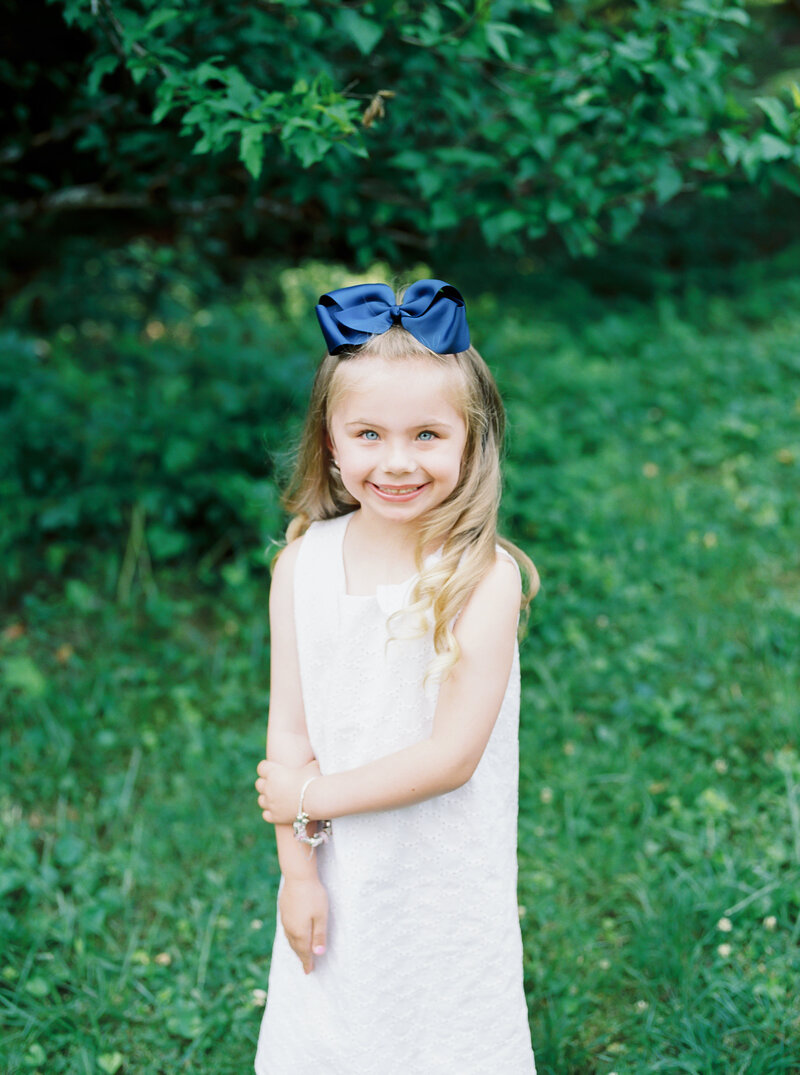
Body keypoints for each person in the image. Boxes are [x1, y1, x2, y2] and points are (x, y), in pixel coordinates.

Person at [253, 279, 540, 1074]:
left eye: (427, 434)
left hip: (442, 876)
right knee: (337, 1021)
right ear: (332, 442)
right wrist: (297, 873)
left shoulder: (484, 579)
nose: (399, 461)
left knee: (438, 1028)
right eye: (370, 433)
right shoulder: (302, 564)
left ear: (470, 442)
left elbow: (450, 758)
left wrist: (308, 799)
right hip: (339, 868)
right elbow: (290, 731)